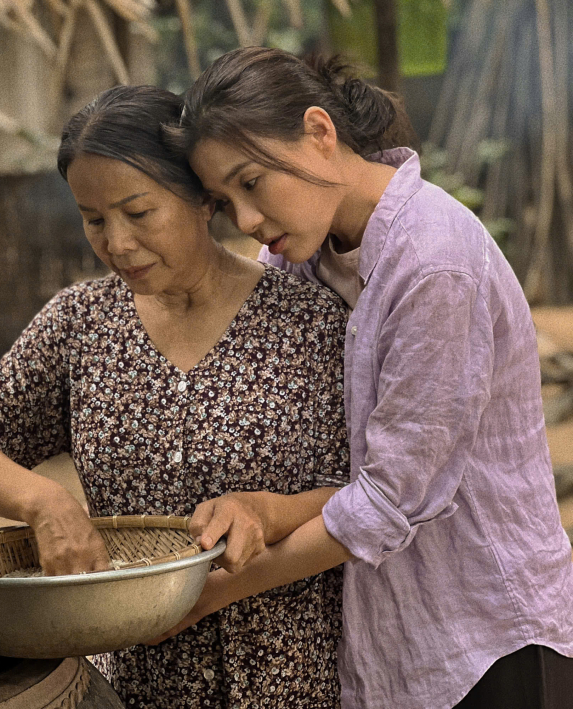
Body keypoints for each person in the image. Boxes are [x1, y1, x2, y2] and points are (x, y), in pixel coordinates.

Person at [163, 46, 573, 709]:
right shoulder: (302, 261)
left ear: (321, 134)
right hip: (391, 648)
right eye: (223, 200)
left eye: (252, 181)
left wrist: (217, 591)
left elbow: (387, 500)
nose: (245, 220)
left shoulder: (433, 260)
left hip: (486, 641)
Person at [0, 85, 352, 709]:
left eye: (138, 212)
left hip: (297, 678)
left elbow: (375, 495)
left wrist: (269, 511)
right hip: (132, 686)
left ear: (202, 197)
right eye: (94, 219)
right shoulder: (80, 324)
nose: (116, 242)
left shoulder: (311, 320)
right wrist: (45, 503)